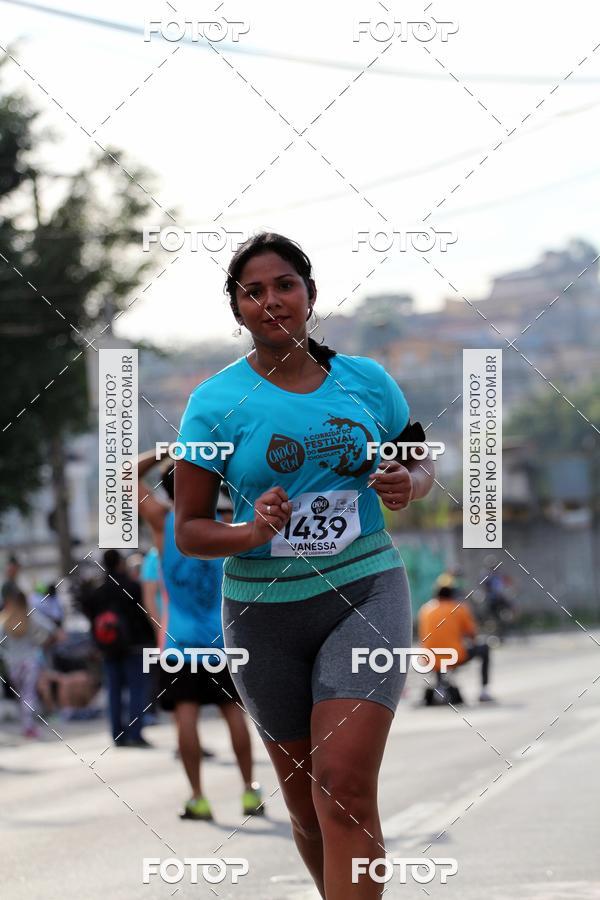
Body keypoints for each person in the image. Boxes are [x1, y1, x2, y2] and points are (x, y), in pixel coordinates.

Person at [174, 232, 435, 899]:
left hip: (363, 590)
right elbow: (191, 531)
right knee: (306, 810)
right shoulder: (213, 404)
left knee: (343, 788)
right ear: (237, 309)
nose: (271, 301)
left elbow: (418, 460)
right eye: (253, 291)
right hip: (262, 613)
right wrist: (251, 530)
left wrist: (409, 483)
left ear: (310, 295)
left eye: (285, 285)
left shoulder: (366, 381)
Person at [137, 453, 260, 820]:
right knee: (234, 713)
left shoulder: (163, 523)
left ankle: (197, 797)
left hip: (179, 642)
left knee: (186, 716)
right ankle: (249, 792)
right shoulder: (225, 526)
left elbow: (125, 474)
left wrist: (168, 451)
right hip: (221, 640)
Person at [83, 549, 155, 748]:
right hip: (135, 646)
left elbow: (90, 617)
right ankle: (135, 733)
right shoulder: (133, 587)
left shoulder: (98, 592)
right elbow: (146, 613)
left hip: (109, 648)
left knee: (113, 691)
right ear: (120, 564)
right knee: (137, 690)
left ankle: (117, 734)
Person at [0, 586, 60, 737]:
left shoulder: (5, 618)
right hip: (30, 661)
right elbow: (51, 628)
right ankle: (28, 726)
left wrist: (6, 655)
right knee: (29, 695)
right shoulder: (30, 615)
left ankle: (26, 725)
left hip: (13, 664)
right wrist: (40, 641)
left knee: (22, 696)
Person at [418, 585, 494, 702]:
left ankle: (440, 687)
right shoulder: (458, 608)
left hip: (429, 658)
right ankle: (484, 691)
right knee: (484, 648)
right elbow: (472, 634)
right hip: (454, 656)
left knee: (439, 657)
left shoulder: (425, 610)